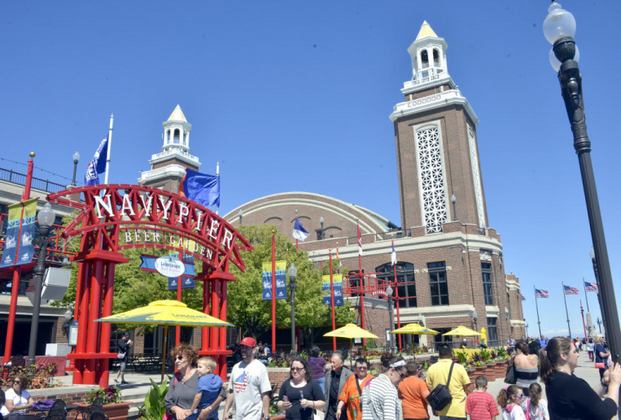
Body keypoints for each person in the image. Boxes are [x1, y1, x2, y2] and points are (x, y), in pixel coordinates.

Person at [541, 336, 620, 419]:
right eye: (575, 351)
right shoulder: (569, 383)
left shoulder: (554, 378)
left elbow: (586, 398)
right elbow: (605, 413)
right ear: (564, 355)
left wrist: (604, 382)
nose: (578, 354)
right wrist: (614, 384)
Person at [223, 337, 272, 420]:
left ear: (254, 349)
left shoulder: (260, 368)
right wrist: (225, 412)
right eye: (242, 347)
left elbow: (265, 394)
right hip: (238, 414)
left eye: (246, 348)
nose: (243, 350)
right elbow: (231, 392)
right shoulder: (236, 367)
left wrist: (266, 415)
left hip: (254, 413)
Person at [426, 344, 471, 419]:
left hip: (442, 408)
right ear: (451, 354)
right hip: (459, 408)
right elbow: (466, 385)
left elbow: (430, 388)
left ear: (439, 355)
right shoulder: (459, 367)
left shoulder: (431, 368)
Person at [360, 355, 406, 420]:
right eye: (402, 375)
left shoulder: (368, 386)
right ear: (392, 371)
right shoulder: (389, 390)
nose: (403, 379)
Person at [324, 351, 352, 420]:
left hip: (343, 409)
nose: (331, 364)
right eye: (331, 362)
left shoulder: (349, 375)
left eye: (334, 362)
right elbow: (326, 392)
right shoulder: (328, 374)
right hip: (330, 409)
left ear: (341, 363)